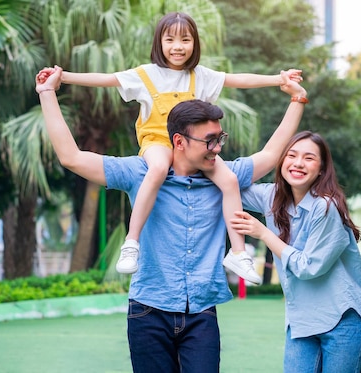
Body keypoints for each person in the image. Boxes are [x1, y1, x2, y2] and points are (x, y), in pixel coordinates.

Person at [35, 65, 307, 372]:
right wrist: (47, 93)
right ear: (179, 142)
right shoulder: (140, 174)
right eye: (209, 141)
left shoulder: (224, 176)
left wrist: (297, 101)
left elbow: (271, 155)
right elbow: (71, 157)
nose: (217, 148)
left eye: (220, 138)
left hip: (202, 313)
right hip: (148, 312)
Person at [59, 11, 302, 282]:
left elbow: (239, 79)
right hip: (158, 142)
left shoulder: (200, 75)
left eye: (185, 40)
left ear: (194, 43)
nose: (178, 46)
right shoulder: (146, 74)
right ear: (159, 43)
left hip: (196, 146)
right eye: (170, 39)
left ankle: (237, 251)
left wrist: (279, 79)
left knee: (230, 180)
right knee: (159, 169)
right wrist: (63, 77)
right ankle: (132, 242)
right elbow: (106, 79)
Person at [230, 131, 361, 372]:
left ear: (321, 169)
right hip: (301, 321)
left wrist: (264, 233)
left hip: (342, 319)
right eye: (291, 155)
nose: (298, 163)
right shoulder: (272, 196)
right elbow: (227, 180)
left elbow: (309, 267)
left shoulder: (326, 207)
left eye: (308, 158)